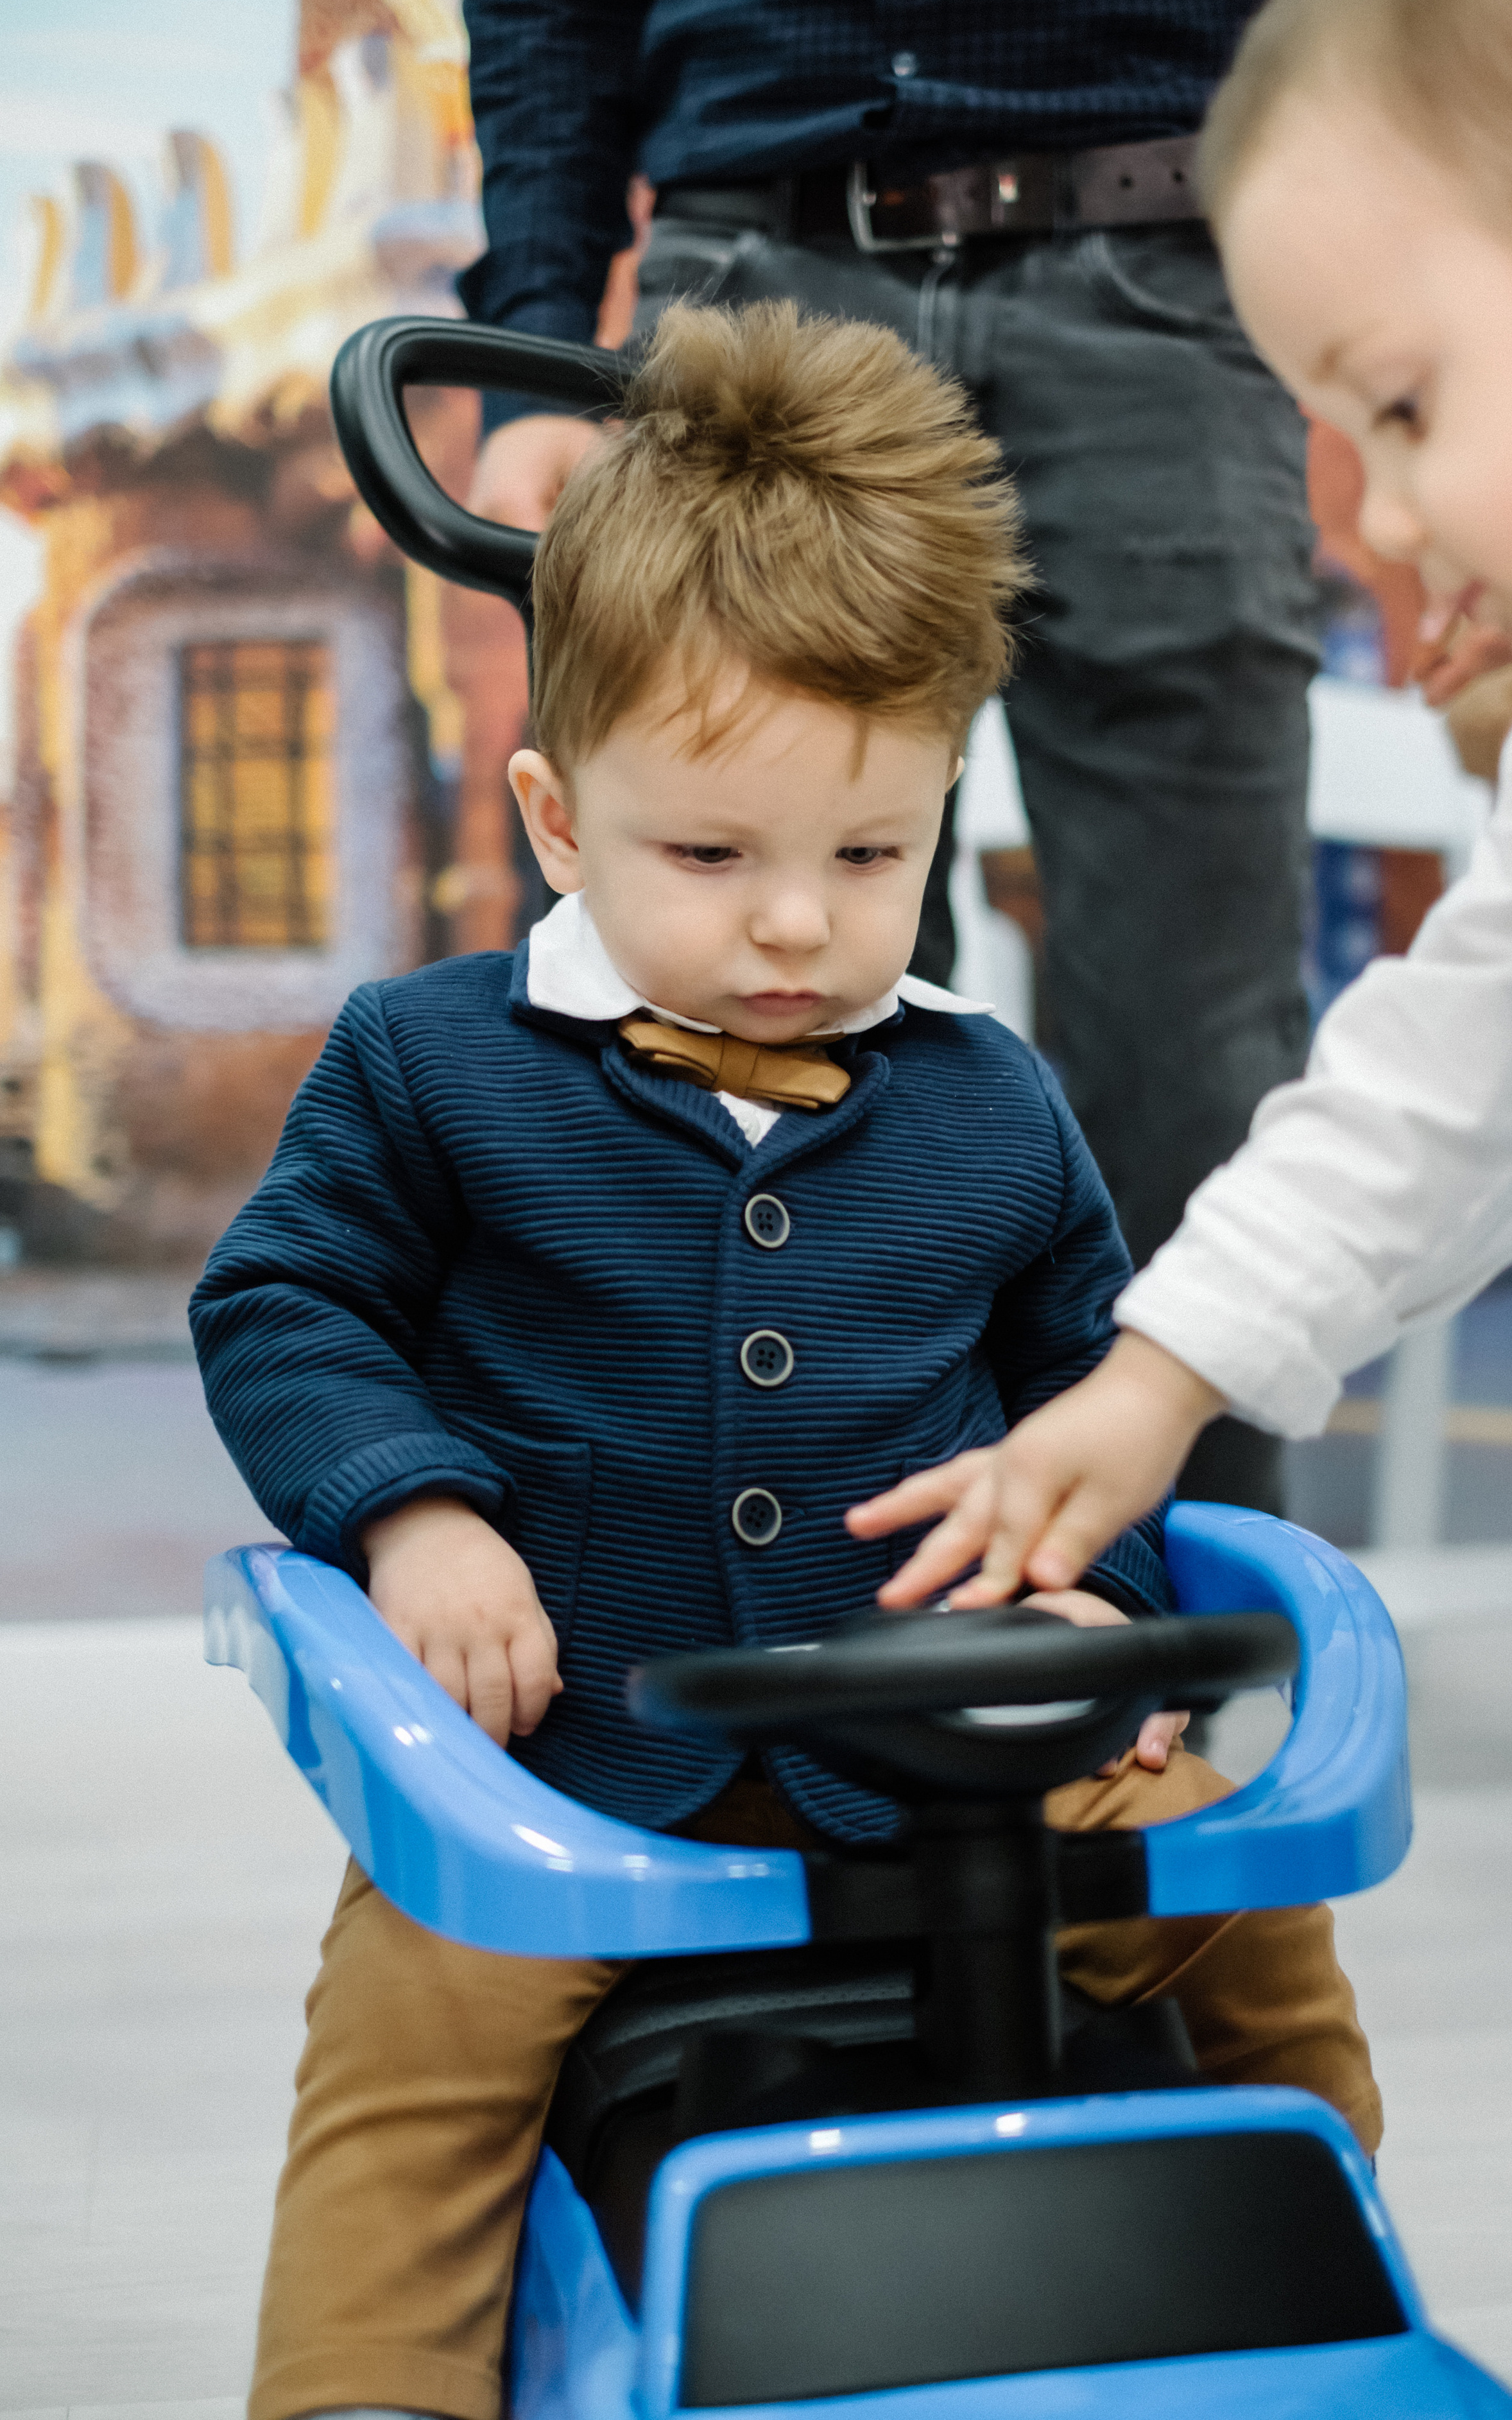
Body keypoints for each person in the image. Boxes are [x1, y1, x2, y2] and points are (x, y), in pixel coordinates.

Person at [191, 305, 1380, 2420]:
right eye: (712, 856)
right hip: (564, 1781)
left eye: (870, 855)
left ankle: (1323, 2311)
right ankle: (364, 2394)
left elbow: (1076, 1386)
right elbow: (287, 1306)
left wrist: (1085, 1597)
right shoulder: (430, 1065)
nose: (799, 931)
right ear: (559, 819)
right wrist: (420, 1512)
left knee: (1239, 1911)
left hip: (959, 1754)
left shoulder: (989, 1100)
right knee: (417, 2044)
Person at [456, 0, 1325, 1519]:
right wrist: (531, 324)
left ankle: (1161, 1679)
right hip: (754, 274)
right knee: (681, 1024)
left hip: (1162, 255)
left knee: (1190, 1054)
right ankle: (656, 1636)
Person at [850, 0, 1512, 1614]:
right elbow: (1444, 1081)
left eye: (1412, 409)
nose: (1400, 522)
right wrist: (1158, 1378)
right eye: (1363, 438)